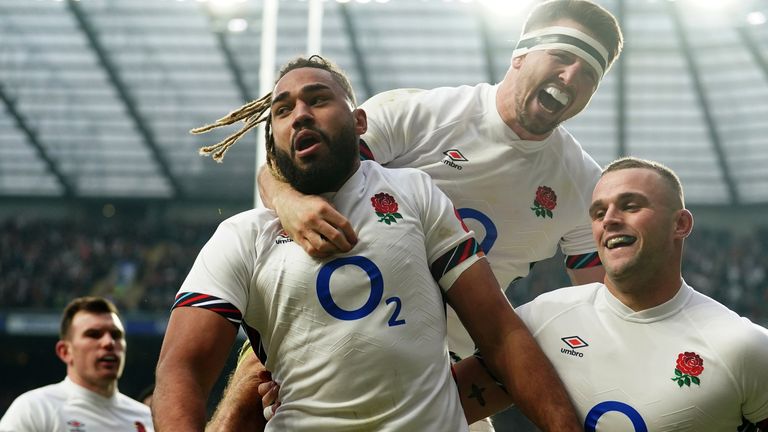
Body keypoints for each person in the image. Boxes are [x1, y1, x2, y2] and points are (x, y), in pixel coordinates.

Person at [152, 55, 580, 431]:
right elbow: (182, 368)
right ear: (272, 141)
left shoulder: (416, 193)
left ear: (359, 122)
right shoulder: (243, 236)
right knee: (245, 388)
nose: (300, 114)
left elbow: (500, 333)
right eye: (283, 110)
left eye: (318, 100)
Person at [450, 157, 768, 430]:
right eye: (599, 213)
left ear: (680, 224)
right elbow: (433, 409)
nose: (610, 220)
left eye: (630, 206)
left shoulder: (744, 346)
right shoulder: (541, 319)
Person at [0, 296, 154, 432]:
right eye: (93, 334)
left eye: (116, 335)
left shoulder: (147, 419)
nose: (109, 342)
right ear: (65, 351)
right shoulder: (35, 410)